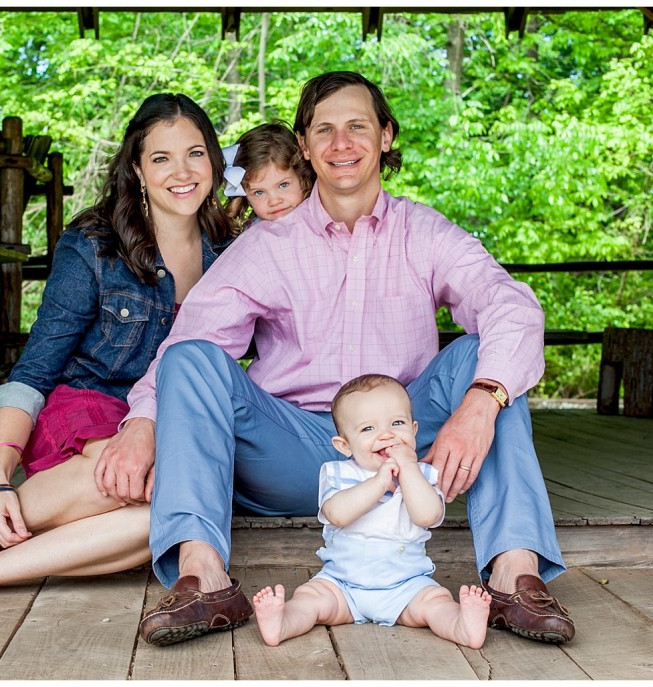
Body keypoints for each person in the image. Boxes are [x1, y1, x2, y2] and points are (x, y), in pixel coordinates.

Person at [103, 70, 575, 647]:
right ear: (304, 146)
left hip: (406, 450)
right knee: (191, 357)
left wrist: (483, 401)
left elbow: (513, 308)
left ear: (385, 135)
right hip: (296, 451)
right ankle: (203, 576)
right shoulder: (267, 245)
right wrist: (143, 421)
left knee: (485, 355)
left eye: (357, 126)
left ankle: (513, 573)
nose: (341, 143)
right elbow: (193, 341)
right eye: (323, 129)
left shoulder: (424, 232)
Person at [0, 92, 235, 608]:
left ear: (215, 162)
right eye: (161, 157)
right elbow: (37, 367)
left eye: (196, 153)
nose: (182, 171)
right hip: (85, 408)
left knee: (167, 517)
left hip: (170, 423)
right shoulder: (94, 243)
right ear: (136, 167)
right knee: (127, 476)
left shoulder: (233, 253)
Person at [252, 373, 491, 649]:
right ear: (344, 445)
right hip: (340, 584)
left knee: (436, 603)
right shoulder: (339, 473)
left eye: (397, 423)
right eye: (368, 429)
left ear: (414, 430)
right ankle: (281, 622)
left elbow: (428, 516)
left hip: (407, 586)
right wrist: (379, 482)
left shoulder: (423, 475)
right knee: (310, 599)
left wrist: (409, 470)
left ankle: (462, 626)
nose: (386, 434)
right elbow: (337, 514)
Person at [221, 121, 314, 226]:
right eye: (259, 192)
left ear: (303, 176)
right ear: (246, 197)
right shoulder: (252, 236)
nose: (274, 201)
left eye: (283, 185)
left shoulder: (322, 216)